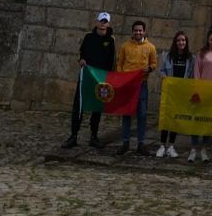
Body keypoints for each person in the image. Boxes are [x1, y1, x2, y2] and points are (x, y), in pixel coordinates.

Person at [61, 11, 116, 149]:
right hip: (86, 77)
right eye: (101, 21)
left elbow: (111, 62)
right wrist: (82, 60)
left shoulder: (110, 41)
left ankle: (94, 136)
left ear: (108, 24)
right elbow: (82, 54)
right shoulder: (88, 38)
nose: (103, 24)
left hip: (100, 79)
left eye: (105, 21)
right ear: (97, 22)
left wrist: (108, 78)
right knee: (78, 106)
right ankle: (73, 135)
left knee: (97, 108)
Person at [114, 20, 157, 156]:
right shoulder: (125, 46)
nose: (138, 32)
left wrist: (149, 68)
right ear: (132, 31)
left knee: (142, 114)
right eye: (136, 30)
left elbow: (154, 63)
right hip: (127, 85)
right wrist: (122, 77)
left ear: (144, 31)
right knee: (126, 113)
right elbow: (119, 64)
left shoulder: (151, 47)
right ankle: (125, 142)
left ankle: (141, 144)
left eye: (140, 30)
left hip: (141, 85)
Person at [187, 30, 212, 163]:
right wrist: (197, 89)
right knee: (196, 120)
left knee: (209, 121)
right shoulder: (201, 53)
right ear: (208, 40)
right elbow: (197, 72)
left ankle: (204, 149)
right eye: (211, 40)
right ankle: (193, 149)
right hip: (201, 92)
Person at [157, 30, 194, 158]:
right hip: (169, 92)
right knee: (166, 118)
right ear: (175, 42)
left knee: (175, 119)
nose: (181, 42)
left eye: (183, 40)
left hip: (180, 93)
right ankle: (162, 145)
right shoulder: (167, 56)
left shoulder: (190, 58)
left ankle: (171, 146)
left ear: (186, 42)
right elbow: (161, 71)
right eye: (179, 40)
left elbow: (191, 76)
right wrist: (163, 77)